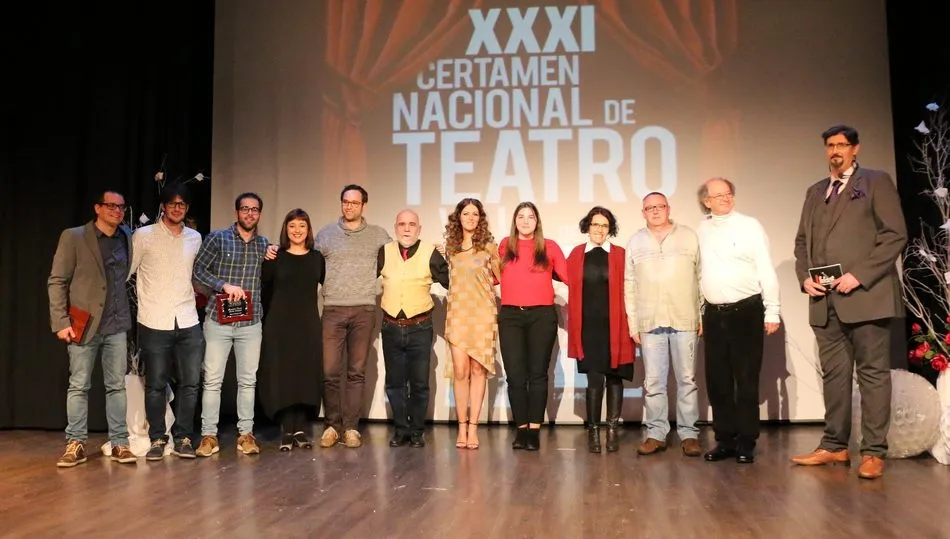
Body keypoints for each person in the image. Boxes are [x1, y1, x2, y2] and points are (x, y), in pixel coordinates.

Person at [790, 125, 907, 480]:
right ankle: (834, 446)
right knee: (835, 377)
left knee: (872, 375)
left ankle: (872, 452)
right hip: (825, 303)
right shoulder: (815, 191)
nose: (835, 150)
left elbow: (894, 234)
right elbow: (801, 244)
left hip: (867, 296)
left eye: (842, 145)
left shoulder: (875, 181)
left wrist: (860, 274)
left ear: (855, 149)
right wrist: (804, 278)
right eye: (830, 145)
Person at [47, 190, 137, 467]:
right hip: (83, 323)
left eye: (121, 207)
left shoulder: (126, 237)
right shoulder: (73, 237)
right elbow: (57, 281)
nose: (117, 211)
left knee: (116, 387)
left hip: (117, 323)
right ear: (97, 208)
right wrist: (60, 322)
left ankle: (120, 443)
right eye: (111, 206)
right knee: (79, 385)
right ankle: (75, 443)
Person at [697, 178, 780, 464]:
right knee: (717, 381)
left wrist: (773, 310)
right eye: (718, 195)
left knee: (745, 379)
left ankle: (747, 441)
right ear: (706, 201)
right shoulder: (702, 230)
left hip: (746, 311)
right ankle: (725, 440)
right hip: (713, 313)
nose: (725, 198)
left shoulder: (749, 225)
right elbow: (700, 274)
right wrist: (699, 311)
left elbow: (765, 268)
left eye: (728, 193)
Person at [624, 193, 703, 457]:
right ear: (643, 212)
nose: (655, 211)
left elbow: (700, 276)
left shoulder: (689, 236)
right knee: (654, 381)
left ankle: (689, 434)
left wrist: (701, 314)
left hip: (684, 317)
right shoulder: (635, 241)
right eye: (650, 208)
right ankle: (656, 433)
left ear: (669, 208)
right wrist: (633, 323)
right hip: (650, 320)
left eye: (660, 207)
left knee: (687, 380)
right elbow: (629, 286)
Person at [129, 184, 204, 460]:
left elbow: (198, 275)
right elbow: (127, 272)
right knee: (156, 384)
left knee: (190, 382)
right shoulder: (143, 235)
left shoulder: (194, 238)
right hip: (154, 318)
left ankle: (183, 436)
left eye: (182, 204)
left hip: (187, 319)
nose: (177, 208)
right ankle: (158, 438)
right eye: (172, 203)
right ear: (163, 206)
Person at [192, 192, 269, 456]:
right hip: (218, 321)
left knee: (247, 381)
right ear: (236, 212)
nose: (250, 213)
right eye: (245, 209)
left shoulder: (263, 244)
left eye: (255, 209)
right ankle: (208, 436)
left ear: (259, 213)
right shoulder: (217, 238)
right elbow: (199, 270)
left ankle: (245, 434)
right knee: (212, 381)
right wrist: (223, 285)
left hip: (250, 322)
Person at [315, 184, 391, 448]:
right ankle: (332, 426)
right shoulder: (325, 234)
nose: (349, 206)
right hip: (333, 309)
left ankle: (351, 428)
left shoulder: (378, 235)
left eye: (354, 203)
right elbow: (309, 263)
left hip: (363, 309)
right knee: (329, 371)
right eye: (345, 202)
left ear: (363, 206)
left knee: (356, 372)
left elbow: (397, 260)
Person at [498, 201, 570, 451]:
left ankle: (534, 430)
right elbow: (494, 276)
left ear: (537, 221)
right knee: (515, 375)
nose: (526, 221)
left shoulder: (549, 247)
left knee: (538, 374)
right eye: (521, 216)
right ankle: (521, 429)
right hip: (510, 317)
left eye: (531, 217)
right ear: (515, 220)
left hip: (541, 316)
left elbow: (570, 275)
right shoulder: (505, 246)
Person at [377, 209, 449, 448]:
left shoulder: (430, 253)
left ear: (419, 229)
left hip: (420, 326)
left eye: (411, 225)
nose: (406, 229)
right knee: (395, 383)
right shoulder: (384, 252)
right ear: (395, 228)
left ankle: (417, 431)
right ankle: (400, 429)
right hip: (391, 326)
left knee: (419, 383)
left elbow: (451, 281)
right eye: (402, 224)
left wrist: (449, 255)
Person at [567, 206, 635, 453]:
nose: (599, 229)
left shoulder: (620, 254)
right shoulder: (576, 254)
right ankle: (594, 430)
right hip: (589, 327)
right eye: (595, 224)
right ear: (587, 226)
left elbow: (632, 289)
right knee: (594, 378)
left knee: (615, 378)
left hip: (616, 327)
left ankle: (612, 430)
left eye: (604, 225)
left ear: (610, 229)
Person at [260, 209, 326, 451]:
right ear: (285, 229)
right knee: (283, 376)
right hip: (279, 324)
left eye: (302, 226)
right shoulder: (274, 256)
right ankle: (287, 430)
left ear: (308, 230)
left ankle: (300, 429)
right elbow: (264, 289)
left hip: (307, 324)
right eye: (292, 226)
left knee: (303, 375)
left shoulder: (317, 258)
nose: (297, 230)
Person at [443, 198, 501, 450]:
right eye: (466, 213)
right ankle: (461, 427)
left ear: (480, 218)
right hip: (458, 314)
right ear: (458, 217)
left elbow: (501, 277)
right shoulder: (450, 247)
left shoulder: (489, 246)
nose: (470, 218)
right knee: (460, 371)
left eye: (475, 214)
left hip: (482, 315)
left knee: (478, 371)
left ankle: (474, 428)